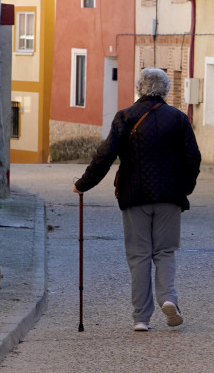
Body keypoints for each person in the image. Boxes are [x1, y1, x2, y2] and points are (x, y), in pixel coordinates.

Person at [73, 68, 202, 332]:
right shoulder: (178, 119)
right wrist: (184, 188)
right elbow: (193, 158)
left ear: (139, 88)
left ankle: (141, 318)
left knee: (139, 256)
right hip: (170, 197)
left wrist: (84, 184)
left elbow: (105, 155)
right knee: (165, 252)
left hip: (134, 196)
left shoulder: (125, 117)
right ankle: (168, 299)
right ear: (165, 89)